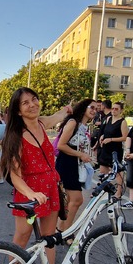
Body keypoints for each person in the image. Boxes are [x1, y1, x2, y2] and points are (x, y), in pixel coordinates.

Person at [0, 88, 72, 264]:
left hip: (50, 188)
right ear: (18, 110)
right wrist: (31, 193)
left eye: (34, 99)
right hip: (29, 192)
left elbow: (56, 116)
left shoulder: (41, 123)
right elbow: (15, 175)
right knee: (22, 238)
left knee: (49, 237)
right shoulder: (15, 136)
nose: (32, 105)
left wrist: (68, 109)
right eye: (25, 103)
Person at [54, 99, 96, 236]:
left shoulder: (85, 126)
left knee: (73, 200)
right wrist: (80, 154)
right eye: (92, 107)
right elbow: (61, 145)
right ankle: (66, 232)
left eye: (96, 109)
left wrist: (86, 157)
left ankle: (62, 229)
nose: (94, 111)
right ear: (83, 107)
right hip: (67, 163)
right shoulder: (73, 122)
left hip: (76, 164)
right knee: (77, 199)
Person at [97, 100, 128, 192]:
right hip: (105, 149)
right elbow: (105, 131)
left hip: (115, 150)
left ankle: (119, 191)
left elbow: (124, 137)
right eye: (113, 108)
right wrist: (103, 136)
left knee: (117, 172)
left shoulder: (122, 122)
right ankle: (106, 189)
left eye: (116, 109)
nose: (114, 110)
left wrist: (111, 139)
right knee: (103, 171)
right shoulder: (108, 119)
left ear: (121, 110)